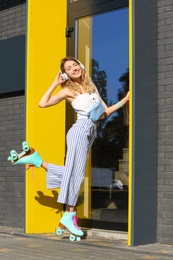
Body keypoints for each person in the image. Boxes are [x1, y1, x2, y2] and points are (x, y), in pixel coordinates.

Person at [9, 57, 129, 238]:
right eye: (69, 68)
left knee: (73, 172)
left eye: (75, 65)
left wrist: (124, 100)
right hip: (79, 131)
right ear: (66, 74)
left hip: (91, 132)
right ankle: (69, 215)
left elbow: (103, 113)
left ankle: (38, 161)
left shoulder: (92, 87)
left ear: (80, 67)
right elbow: (42, 103)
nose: (73, 68)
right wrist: (55, 83)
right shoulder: (67, 90)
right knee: (77, 174)